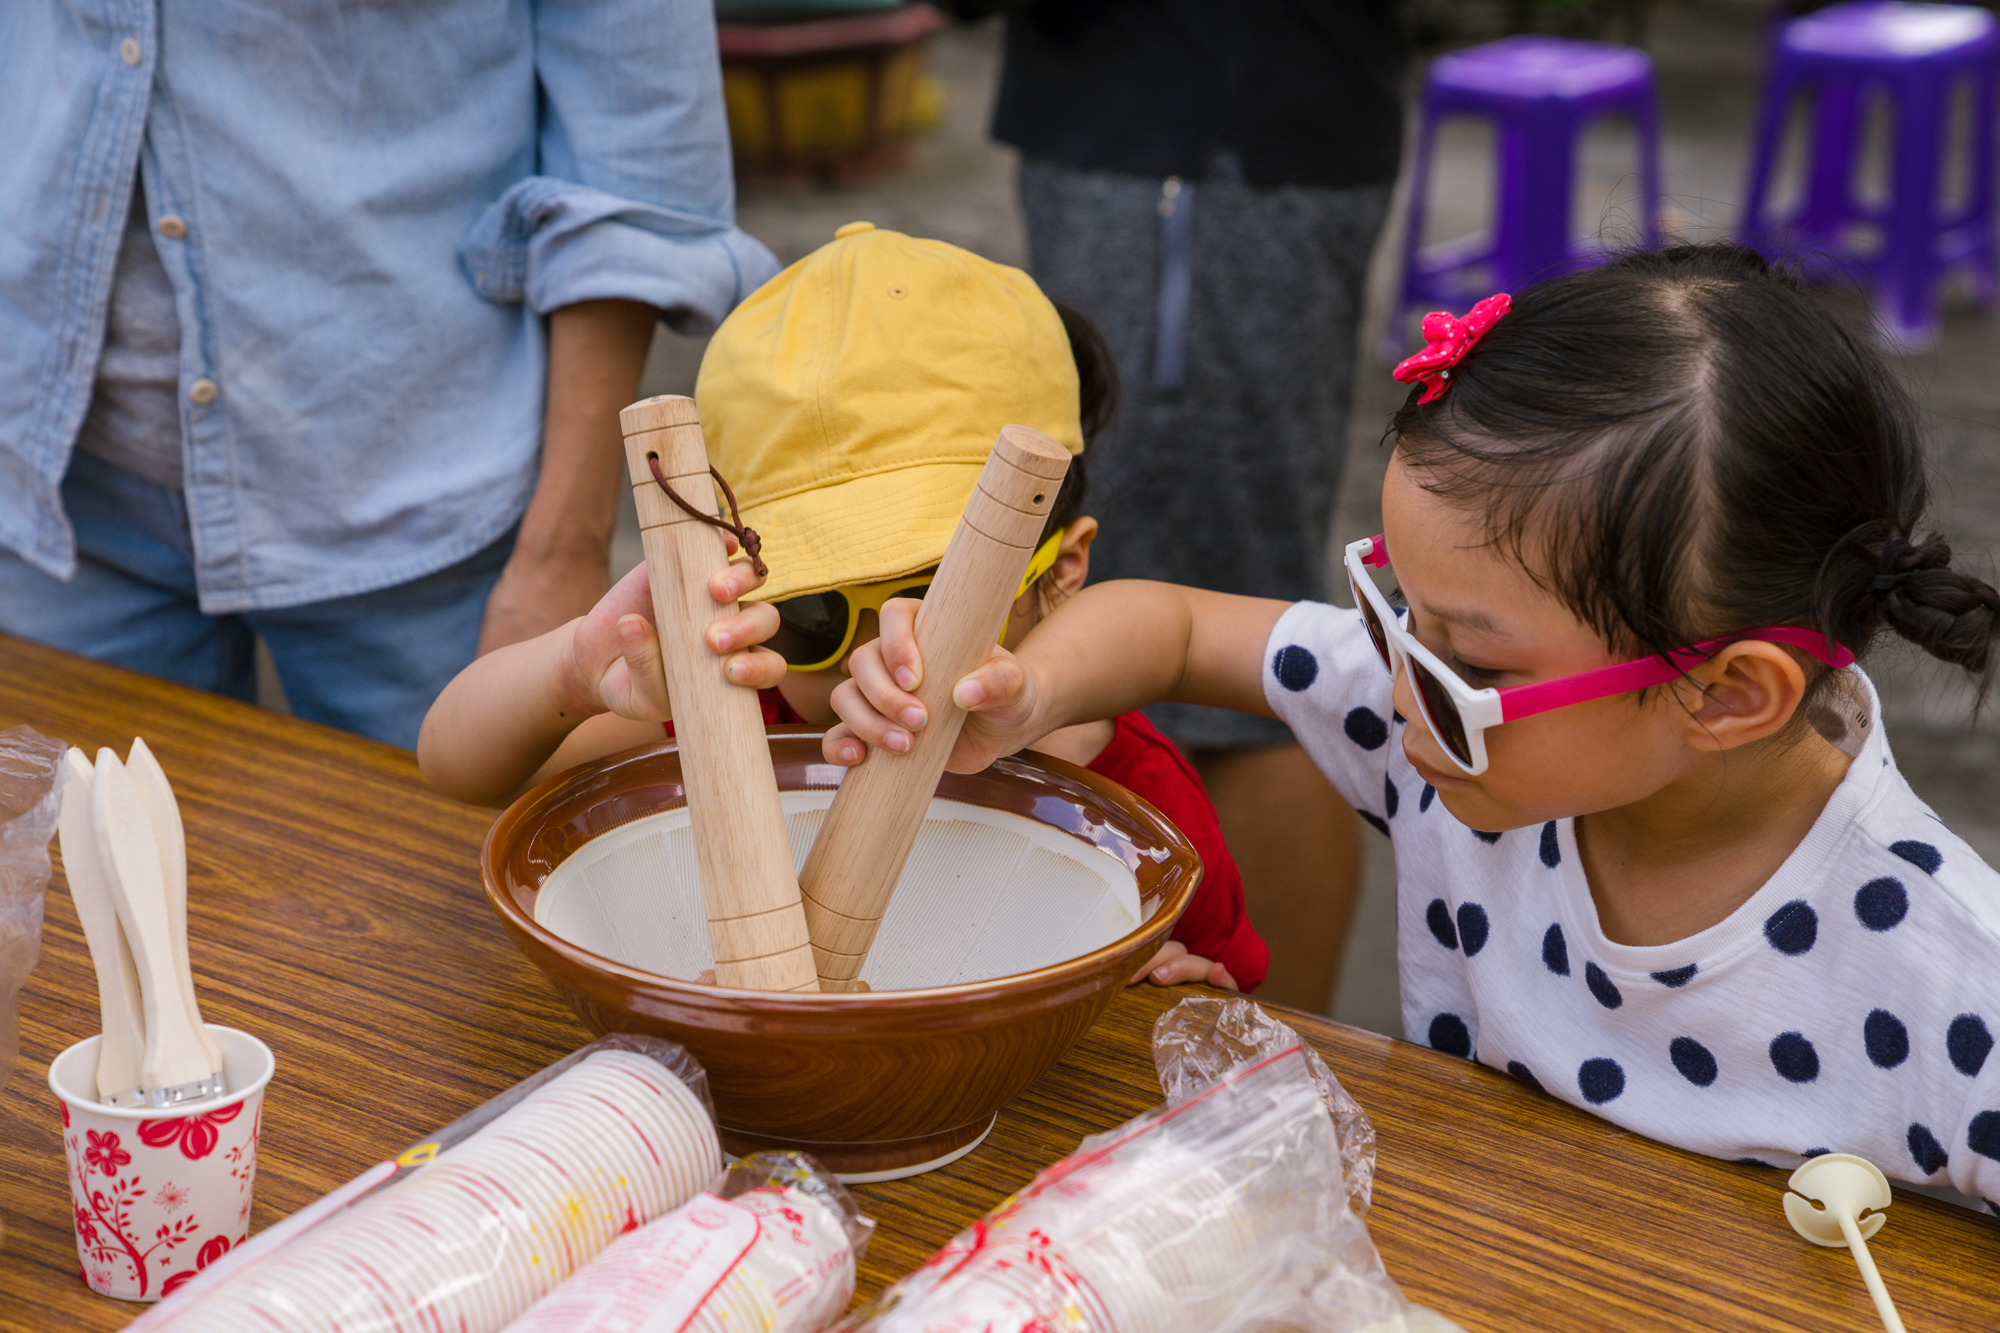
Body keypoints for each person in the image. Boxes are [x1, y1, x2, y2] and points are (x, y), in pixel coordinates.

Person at [823, 243, 2000, 1209]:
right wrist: (1020, 695)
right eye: (1392, 607)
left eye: (1463, 658)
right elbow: (1173, 628)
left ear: (1728, 693)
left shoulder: (1948, 979)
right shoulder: (1456, 729)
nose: (1394, 687)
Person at [419, 224, 1268, 992]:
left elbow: (1223, 1016)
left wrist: (1167, 991)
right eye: (815, 611)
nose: (873, 653)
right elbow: (459, 767)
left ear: (1062, 566)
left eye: (932, 598)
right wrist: (571, 666)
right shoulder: (746, 717)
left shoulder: (1140, 813)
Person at [0, 2, 776, 748]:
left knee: (454, 866)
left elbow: (638, 138)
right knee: (71, 870)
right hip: (59, 487)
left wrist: (565, 543)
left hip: (423, 504)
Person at [942, 0, 1408, 1013]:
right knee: (1163, 626)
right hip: (1184, 131)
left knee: (1237, 654)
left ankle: (1270, 1056)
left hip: (1203, 143)